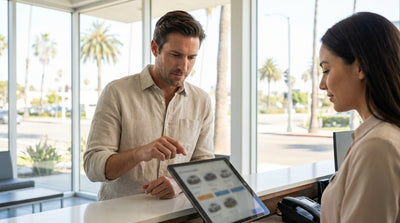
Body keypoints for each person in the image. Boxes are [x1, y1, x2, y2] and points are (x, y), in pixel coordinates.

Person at [83, 10, 214, 201]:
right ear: (155, 48)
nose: (184, 67)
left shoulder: (201, 100)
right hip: (121, 216)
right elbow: (93, 167)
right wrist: (140, 153)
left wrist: (179, 184)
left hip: (176, 215)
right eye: (176, 55)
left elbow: (204, 164)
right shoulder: (117, 92)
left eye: (191, 57)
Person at [319, 12, 400, 222]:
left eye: (326, 70)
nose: (322, 84)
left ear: (361, 67)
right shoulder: (381, 135)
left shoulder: (378, 146)